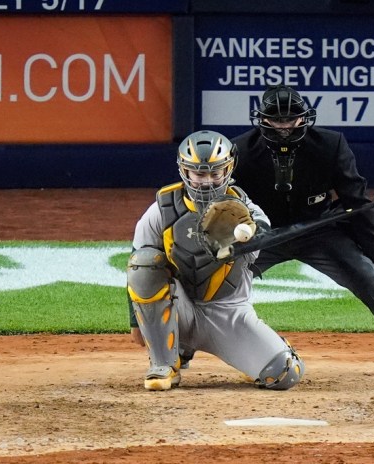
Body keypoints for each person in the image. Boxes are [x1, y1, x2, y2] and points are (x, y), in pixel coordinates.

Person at [227, 84, 374, 377]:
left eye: (290, 119)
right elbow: (225, 203)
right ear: (262, 119)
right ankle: (183, 347)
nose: (284, 127)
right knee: (215, 278)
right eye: (276, 120)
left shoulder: (330, 144)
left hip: (318, 230)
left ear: (303, 118)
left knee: (370, 277)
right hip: (262, 235)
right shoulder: (238, 150)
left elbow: (355, 201)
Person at [127, 129, 304, 391]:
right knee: (146, 262)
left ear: (228, 170)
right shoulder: (161, 210)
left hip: (228, 314)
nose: (207, 181)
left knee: (284, 374)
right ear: (185, 171)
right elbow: (136, 263)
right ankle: (165, 363)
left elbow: (263, 232)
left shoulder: (247, 210)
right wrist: (135, 321)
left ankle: (250, 353)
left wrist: (252, 236)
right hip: (179, 309)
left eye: (214, 172)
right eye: (199, 173)